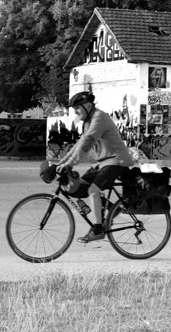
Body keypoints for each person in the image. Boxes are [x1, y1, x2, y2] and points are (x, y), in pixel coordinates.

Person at [56, 91, 137, 243]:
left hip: (117, 161)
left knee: (93, 190)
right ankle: (114, 209)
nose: (76, 112)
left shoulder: (99, 118)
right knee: (81, 186)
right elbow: (79, 145)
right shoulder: (89, 121)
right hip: (103, 163)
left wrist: (70, 164)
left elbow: (86, 144)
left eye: (77, 108)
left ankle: (98, 229)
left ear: (87, 105)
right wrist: (62, 163)